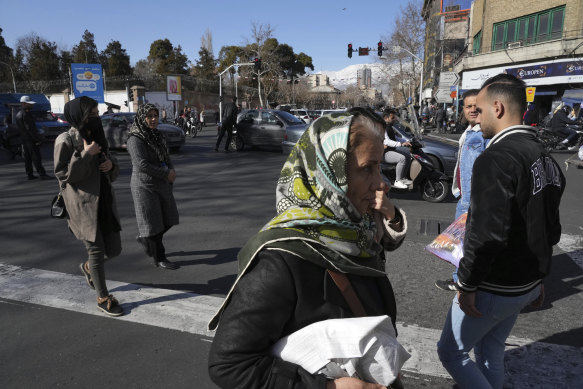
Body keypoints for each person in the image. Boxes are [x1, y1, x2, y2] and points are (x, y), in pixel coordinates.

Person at [208, 107, 408, 389]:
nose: (381, 183)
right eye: (367, 169)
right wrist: (328, 387)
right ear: (330, 171)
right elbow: (229, 364)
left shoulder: (353, 228)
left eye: (380, 167)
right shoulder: (280, 260)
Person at [436, 74, 565, 389]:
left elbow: (486, 234)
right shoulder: (544, 156)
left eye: (478, 110)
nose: (475, 119)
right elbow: (551, 228)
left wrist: (466, 284)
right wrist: (539, 276)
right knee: (491, 350)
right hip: (526, 283)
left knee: (450, 353)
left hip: (497, 284)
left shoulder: (496, 158)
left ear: (497, 107)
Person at [54, 96, 124, 316]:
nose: (94, 119)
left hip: (104, 201)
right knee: (96, 252)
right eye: (90, 115)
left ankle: (87, 268)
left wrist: (111, 165)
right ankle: (103, 297)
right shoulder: (65, 139)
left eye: (96, 114)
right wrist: (86, 154)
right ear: (78, 116)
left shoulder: (97, 136)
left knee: (114, 250)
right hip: (82, 205)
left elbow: (113, 170)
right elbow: (63, 174)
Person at [435, 89, 488, 292]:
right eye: (468, 106)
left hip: (472, 199)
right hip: (464, 195)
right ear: (463, 109)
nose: (473, 109)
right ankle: (462, 279)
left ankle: (463, 283)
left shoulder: (483, 134)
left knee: (464, 244)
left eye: (477, 106)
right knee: (458, 243)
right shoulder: (469, 131)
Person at [127, 103, 180, 270]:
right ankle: (160, 257)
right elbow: (141, 164)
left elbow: (165, 155)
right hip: (145, 186)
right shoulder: (135, 139)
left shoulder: (156, 135)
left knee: (170, 218)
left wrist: (171, 170)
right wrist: (165, 174)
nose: (153, 119)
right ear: (142, 118)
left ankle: (146, 239)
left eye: (155, 116)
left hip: (162, 183)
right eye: (149, 116)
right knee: (153, 224)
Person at [15, 95, 53, 180]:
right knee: (36, 157)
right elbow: (30, 129)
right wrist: (38, 139)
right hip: (30, 139)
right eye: (29, 104)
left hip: (24, 139)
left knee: (28, 158)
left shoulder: (18, 114)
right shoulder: (26, 114)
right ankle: (42, 174)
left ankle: (29, 174)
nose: (31, 105)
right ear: (23, 104)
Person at [382, 108, 412, 189]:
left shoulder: (389, 127)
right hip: (384, 153)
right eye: (392, 118)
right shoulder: (382, 127)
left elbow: (394, 137)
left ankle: (402, 178)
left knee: (407, 155)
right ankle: (397, 181)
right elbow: (387, 141)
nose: (394, 119)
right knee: (402, 158)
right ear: (386, 118)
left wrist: (408, 141)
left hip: (390, 150)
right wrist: (401, 144)